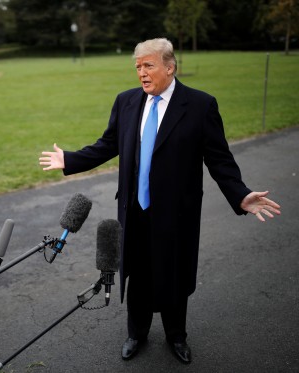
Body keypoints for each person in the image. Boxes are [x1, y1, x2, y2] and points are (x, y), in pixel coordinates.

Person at [39, 38, 280, 365]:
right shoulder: (126, 102)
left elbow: (219, 159)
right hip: (134, 209)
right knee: (136, 273)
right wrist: (70, 159)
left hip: (176, 213)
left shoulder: (199, 105)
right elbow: (108, 144)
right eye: (137, 67)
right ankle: (136, 332)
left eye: (148, 65)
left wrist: (240, 194)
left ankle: (176, 335)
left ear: (170, 66)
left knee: (174, 273)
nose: (141, 73)